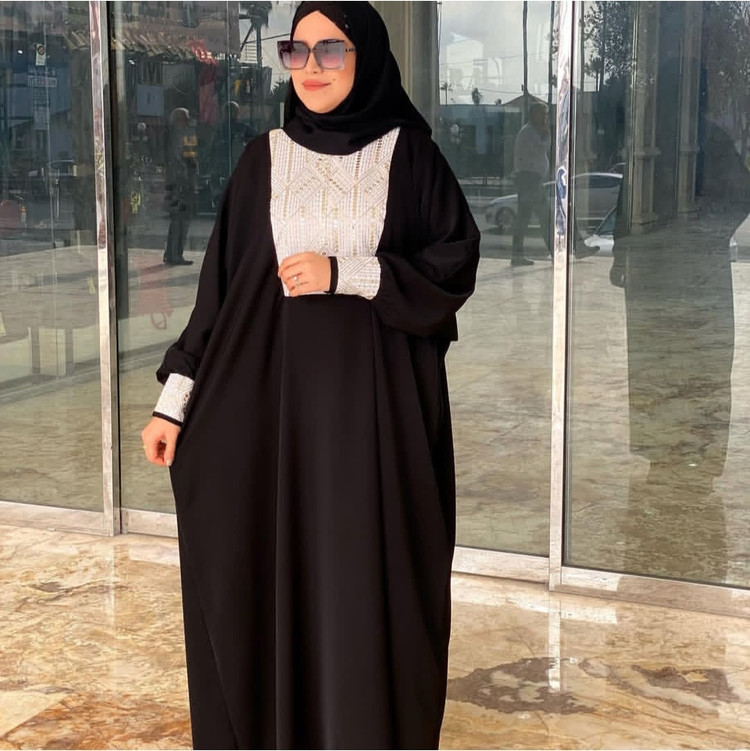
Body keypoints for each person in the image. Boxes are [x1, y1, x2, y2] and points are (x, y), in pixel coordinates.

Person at [140, 2, 480, 748]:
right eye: (298, 51)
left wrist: (347, 273)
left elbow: (454, 262)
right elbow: (218, 295)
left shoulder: (410, 157)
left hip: (375, 425)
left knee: (367, 581)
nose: (312, 67)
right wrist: (174, 401)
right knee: (271, 568)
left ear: (368, 56)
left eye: (332, 50)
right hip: (273, 417)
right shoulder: (262, 159)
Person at [511, 101, 552, 266]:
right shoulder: (529, 132)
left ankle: (517, 255)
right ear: (535, 114)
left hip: (530, 179)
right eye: (543, 114)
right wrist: (547, 134)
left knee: (523, 218)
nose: (545, 118)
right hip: (529, 180)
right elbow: (541, 149)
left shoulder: (531, 131)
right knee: (545, 216)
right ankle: (556, 251)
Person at [163, 107, 197, 266]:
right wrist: (185, 178)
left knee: (178, 220)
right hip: (179, 184)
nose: (188, 121)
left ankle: (172, 253)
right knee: (180, 219)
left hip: (178, 183)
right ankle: (175, 254)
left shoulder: (177, 135)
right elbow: (177, 159)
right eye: (186, 118)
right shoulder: (176, 135)